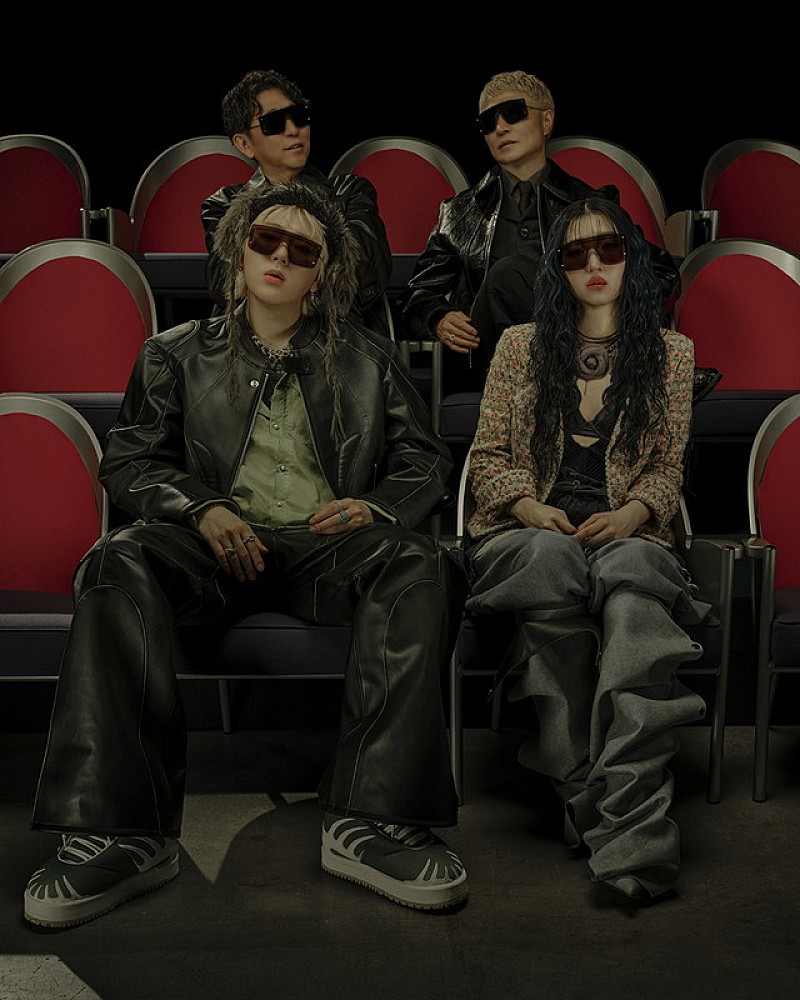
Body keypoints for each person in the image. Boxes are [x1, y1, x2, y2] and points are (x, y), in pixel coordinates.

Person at [23, 182, 469, 929]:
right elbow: (130, 461)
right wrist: (201, 507)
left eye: (302, 250)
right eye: (266, 240)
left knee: (422, 562)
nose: (279, 256)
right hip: (212, 546)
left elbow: (423, 458)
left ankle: (373, 820)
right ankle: (122, 830)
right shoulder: (172, 354)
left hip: (327, 548)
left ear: (321, 274)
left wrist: (376, 507)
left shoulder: (370, 357)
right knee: (115, 559)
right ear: (238, 250)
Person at [463, 196, 709, 906]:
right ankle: (604, 811)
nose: (594, 263)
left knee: (634, 601)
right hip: (528, 531)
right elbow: (487, 457)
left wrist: (634, 512)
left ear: (631, 258)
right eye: (576, 253)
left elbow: (665, 468)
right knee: (550, 565)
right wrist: (527, 507)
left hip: (626, 530)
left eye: (609, 249)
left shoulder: (671, 353)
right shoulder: (520, 346)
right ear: (558, 268)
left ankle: (625, 835)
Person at [401, 70, 679, 389]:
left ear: (546, 121)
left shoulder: (590, 204)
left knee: (539, 275)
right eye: (488, 122)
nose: (500, 128)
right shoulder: (458, 214)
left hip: (578, 341)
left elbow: (662, 274)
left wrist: (602, 311)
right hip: (487, 365)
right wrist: (438, 318)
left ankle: (569, 376)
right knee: (508, 276)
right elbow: (417, 295)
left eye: (513, 113)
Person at [201, 68, 393, 336]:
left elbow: (362, 278)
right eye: (275, 123)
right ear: (245, 144)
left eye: (299, 117)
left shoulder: (350, 193)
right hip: (252, 346)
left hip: (336, 341)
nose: (294, 131)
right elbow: (228, 285)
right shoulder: (224, 205)